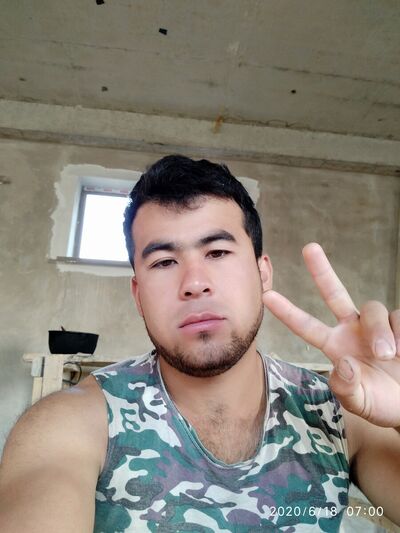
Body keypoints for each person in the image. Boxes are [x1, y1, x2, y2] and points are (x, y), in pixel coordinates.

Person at [0, 155, 399, 532]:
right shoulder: (72, 424)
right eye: (164, 262)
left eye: (218, 252)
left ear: (262, 274)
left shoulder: (337, 415)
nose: (194, 283)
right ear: (138, 294)